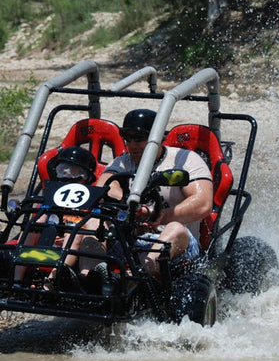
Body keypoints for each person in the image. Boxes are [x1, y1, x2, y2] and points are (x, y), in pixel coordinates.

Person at [85, 108, 214, 276]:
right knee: (94, 220)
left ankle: (136, 279)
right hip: (129, 241)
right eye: (128, 138)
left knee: (175, 228)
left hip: (177, 245)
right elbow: (103, 189)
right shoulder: (123, 161)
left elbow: (203, 203)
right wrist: (131, 207)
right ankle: (88, 276)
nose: (132, 145)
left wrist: (158, 215)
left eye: (139, 138)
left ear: (158, 138)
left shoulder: (184, 160)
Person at [13, 146, 97, 288]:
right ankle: (16, 281)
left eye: (73, 171)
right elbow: (40, 220)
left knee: (74, 232)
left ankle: (50, 283)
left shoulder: (89, 200)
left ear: (86, 176)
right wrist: (39, 224)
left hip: (74, 244)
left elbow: (89, 226)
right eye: (62, 169)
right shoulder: (53, 197)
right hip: (49, 241)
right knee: (32, 226)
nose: (67, 174)